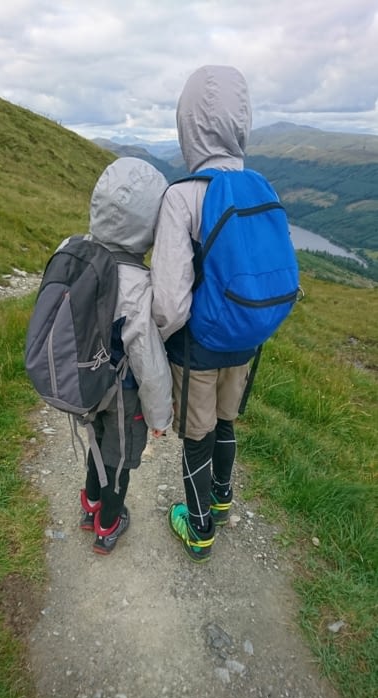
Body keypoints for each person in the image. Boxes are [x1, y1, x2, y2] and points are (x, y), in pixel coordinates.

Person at [151, 65, 255, 563]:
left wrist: (157, 342)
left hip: (199, 347)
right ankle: (223, 497)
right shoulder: (261, 187)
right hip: (248, 337)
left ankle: (199, 530)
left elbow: (170, 302)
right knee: (227, 418)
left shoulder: (183, 195)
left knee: (197, 431)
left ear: (187, 121)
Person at [79, 157, 173, 555]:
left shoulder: (77, 253)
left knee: (96, 443)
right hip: (123, 392)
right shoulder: (138, 284)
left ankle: (89, 506)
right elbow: (147, 360)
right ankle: (108, 525)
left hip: (84, 380)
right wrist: (159, 416)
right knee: (119, 458)